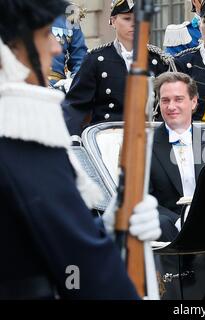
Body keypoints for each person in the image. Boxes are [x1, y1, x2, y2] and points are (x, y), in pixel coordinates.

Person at [0, 0, 161, 299]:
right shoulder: (23, 140)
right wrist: (113, 242)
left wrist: (104, 229)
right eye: (47, 34)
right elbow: (77, 269)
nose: (56, 48)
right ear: (9, 50)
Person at [62, 0, 176, 136]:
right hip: (106, 138)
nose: (134, 24)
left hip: (150, 138)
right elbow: (76, 106)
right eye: (127, 19)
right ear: (113, 21)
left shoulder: (158, 61)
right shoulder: (96, 60)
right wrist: (74, 139)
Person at [150, 72, 205, 241]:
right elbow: (143, 199)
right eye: (165, 100)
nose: (171, 106)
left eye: (178, 99)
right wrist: (179, 221)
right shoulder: (144, 145)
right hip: (168, 228)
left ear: (193, 102)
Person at [49, 3, 88, 92]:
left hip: (56, 88)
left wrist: (74, 82)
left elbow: (80, 58)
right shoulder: (17, 8)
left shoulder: (70, 14)